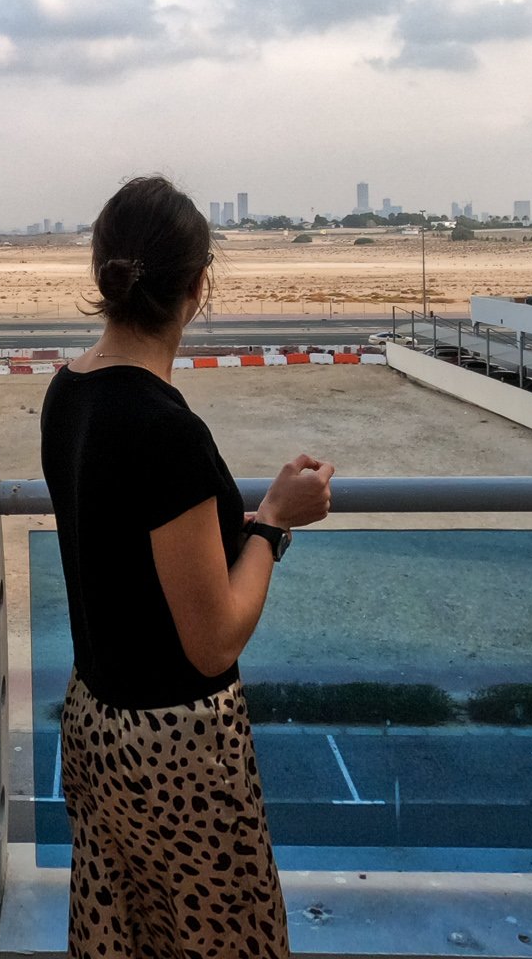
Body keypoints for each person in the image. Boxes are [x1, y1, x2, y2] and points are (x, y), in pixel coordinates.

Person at [41, 175, 334, 959]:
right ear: (198, 287)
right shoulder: (165, 431)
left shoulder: (67, 395)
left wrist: (224, 528)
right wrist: (273, 523)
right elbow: (213, 641)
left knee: (119, 935)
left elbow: (126, 545)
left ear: (103, 271)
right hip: (178, 753)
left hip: (95, 725)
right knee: (225, 937)